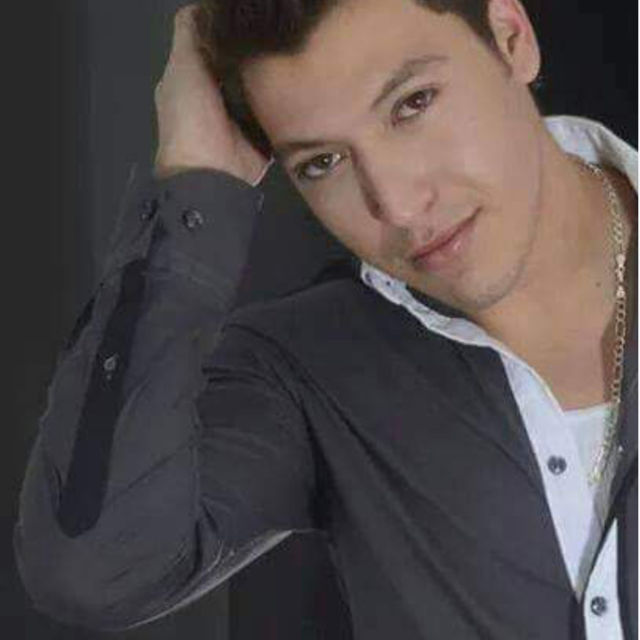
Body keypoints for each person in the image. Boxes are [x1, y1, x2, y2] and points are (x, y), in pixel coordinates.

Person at [14, 0, 637, 638]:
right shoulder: (308, 369)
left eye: (413, 104)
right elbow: (93, 571)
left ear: (510, 36)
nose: (397, 205)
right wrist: (194, 181)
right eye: (322, 163)